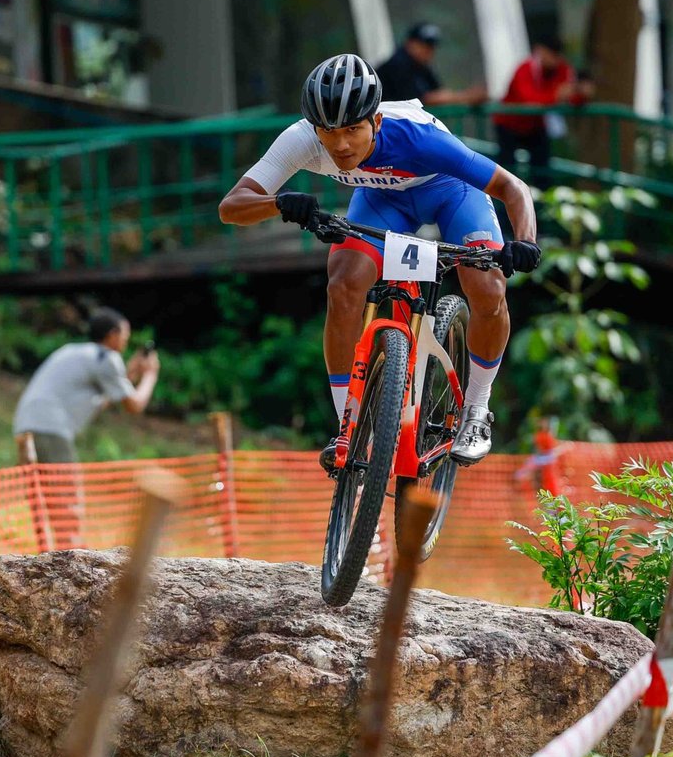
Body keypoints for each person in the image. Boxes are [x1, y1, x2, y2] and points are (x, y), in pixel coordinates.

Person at [217, 53, 540, 471]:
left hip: (449, 192)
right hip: (381, 199)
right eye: (328, 132)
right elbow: (232, 206)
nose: (341, 144)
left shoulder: (418, 138)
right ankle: (347, 425)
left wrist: (525, 242)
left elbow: (513, 188)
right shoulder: (301, 140)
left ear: (377, 122)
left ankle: (477, 411)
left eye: (353, 129)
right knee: (344, 282)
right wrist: (278, 202)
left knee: (487, 286)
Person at [12, 307, 159, 464]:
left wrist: (129, 374)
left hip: (26, 424)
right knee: (66, 489)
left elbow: (106, 398)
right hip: (50, 428)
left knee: (40, 488)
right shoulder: (108, 358)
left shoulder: (76, 351)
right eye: (125, 335)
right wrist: (151, 375)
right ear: (112, 334)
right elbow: (134, 405)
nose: (126, 340)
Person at [492, 37, 592, 187]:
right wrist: (556, 96)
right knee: (507, 170)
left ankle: (541, 206)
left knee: (542, 170)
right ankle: (501, 209)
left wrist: (582, 93)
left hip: (535, 126)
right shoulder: (525, 69)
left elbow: (571, 97)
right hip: (509, 125)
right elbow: (528, 100)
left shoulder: (563, 70)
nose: (553, 59)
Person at [374, 23, 489, 106]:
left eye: (432, 46)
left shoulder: (422, 66)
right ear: (411, 43)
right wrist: (465, 97)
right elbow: (422, 99)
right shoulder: (398, 64)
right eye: (424, 45)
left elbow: (438, 91)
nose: (429, 50)